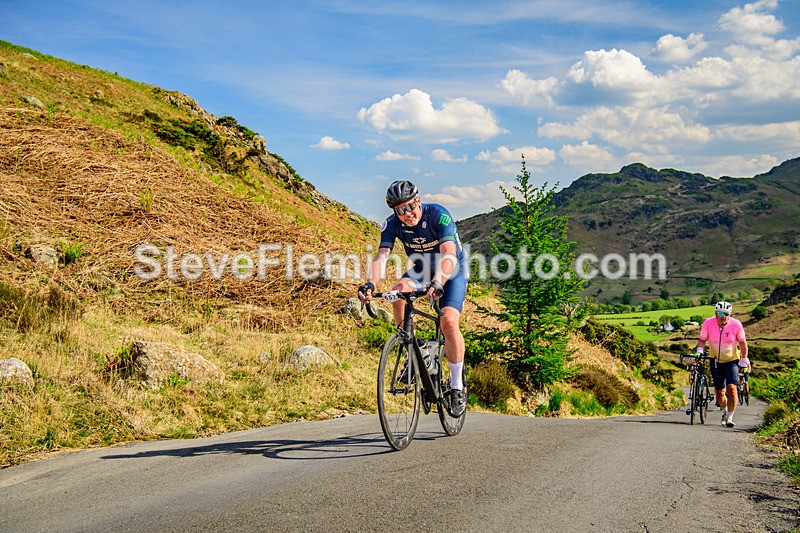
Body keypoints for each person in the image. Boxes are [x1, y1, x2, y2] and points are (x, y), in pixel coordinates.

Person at [358, 180, 469, 417]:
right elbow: (382, 257)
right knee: (398, 293)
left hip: (452, 271)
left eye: (409, 207)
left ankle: (458, 386)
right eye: (399, 210)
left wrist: (439, 281)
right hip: (421, 270)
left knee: (448, 322)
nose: (406, 214)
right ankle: (413, 349)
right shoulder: (392, 224)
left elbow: (449, 254)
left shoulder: (439, 215)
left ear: (418, 201)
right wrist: (370, 284)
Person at [695, 301, 748, 428]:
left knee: (732, 389)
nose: (723, 316)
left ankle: (730, 417)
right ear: (715, 313)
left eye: (726, 314)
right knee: (720, 393)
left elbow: (742, 343)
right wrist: (699, 351)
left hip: (732, 361)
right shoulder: (708, 323)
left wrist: (744, 359)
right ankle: (724, 411)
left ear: (730, 315)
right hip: (715, 361)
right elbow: (702, 340)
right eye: (720, 313)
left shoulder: (736, 325)